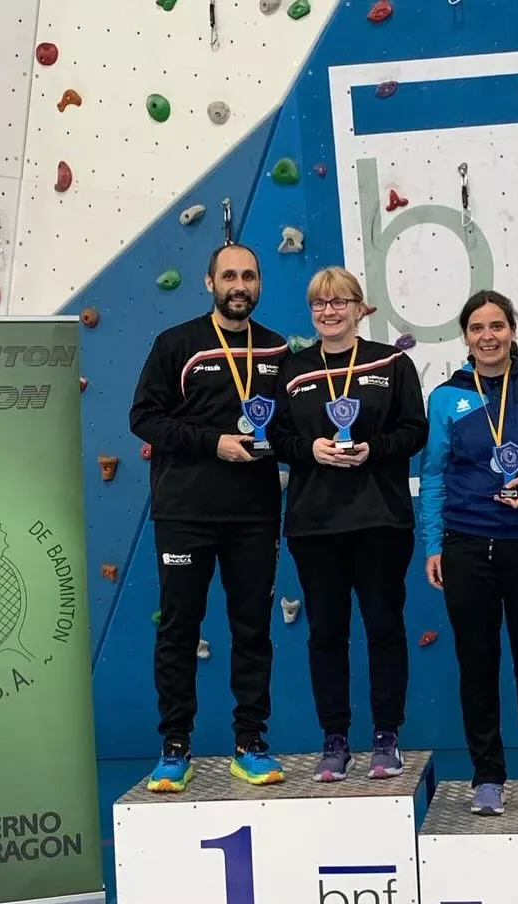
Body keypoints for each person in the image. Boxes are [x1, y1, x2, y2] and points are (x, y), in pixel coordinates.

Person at [129, 242, 289, 792]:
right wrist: (212, 442)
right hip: (185, 513)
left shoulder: (276, 349)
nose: (238, 285)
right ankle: (175, 747)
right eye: (229, 276)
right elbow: (143, 418)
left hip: (255, 515)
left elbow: (288, 426)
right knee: (178, 630)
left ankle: (251, 743)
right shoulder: (176, 345)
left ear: (259, 284)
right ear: (210, 283)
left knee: (253, 631)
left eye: (248, 275)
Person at [419, 290, 518, 818]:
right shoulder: (446, 396)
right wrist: (433, 544)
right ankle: (487, 776)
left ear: (513, 329)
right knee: (477, 665)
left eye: (497, 326)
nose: (488, 337)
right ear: (465, 336)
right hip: (467, 544)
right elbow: (434, 474)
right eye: (476, 328)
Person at [267, 267, 428, 783]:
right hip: (315, 524)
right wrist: (309, 450)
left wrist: (371, 449)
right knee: (326, 633)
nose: (329, 312)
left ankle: (387, 737)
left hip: (380, 519)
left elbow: (415, 430)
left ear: (360, 308)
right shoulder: (293, 369)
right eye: (320, 304)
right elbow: (278, 435)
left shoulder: (392, 362)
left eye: (340, 303)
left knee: (384, 628)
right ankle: (334, 739)